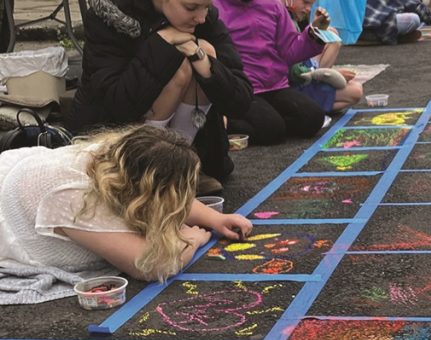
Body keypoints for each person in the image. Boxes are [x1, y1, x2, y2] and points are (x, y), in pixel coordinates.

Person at [69, 0, 253, 191]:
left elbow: (241, 99)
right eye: (191, 7)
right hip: (112, 132)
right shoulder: (109, 15)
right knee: (177, 63)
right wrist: (161, 44)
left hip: (192, 141)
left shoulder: (202, 16)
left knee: (206, 55)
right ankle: (152, 169)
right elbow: (115, 104)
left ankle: (179, 165)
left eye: (207, 7)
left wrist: (203, 59)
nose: (201, 17)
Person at [0, 126, 252, 293]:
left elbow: (169, 193)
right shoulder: (73, 197)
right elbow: (150, 265)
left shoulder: (121, 157)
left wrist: (215, 218)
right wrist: (191, 240)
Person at [211, 0, 356, 144]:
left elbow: (290, 50)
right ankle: (223, 122)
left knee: (313, 118)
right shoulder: (214, 9)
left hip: (275, 85)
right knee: (273, 130)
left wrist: (313, 33)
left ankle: (266, 121)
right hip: (242, 90)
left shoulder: (270, 2)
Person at [279, 0, 363, 110]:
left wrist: (318, 27)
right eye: (305, 2)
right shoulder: (284, 21)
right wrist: (328, 75)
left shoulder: (288, 15)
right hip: (296, 81)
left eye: (310, 4)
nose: (308, 9)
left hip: (303, 69)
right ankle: (311, 105)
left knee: (331, 34)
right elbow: (292, 70)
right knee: (356, 91)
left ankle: (318, 90)